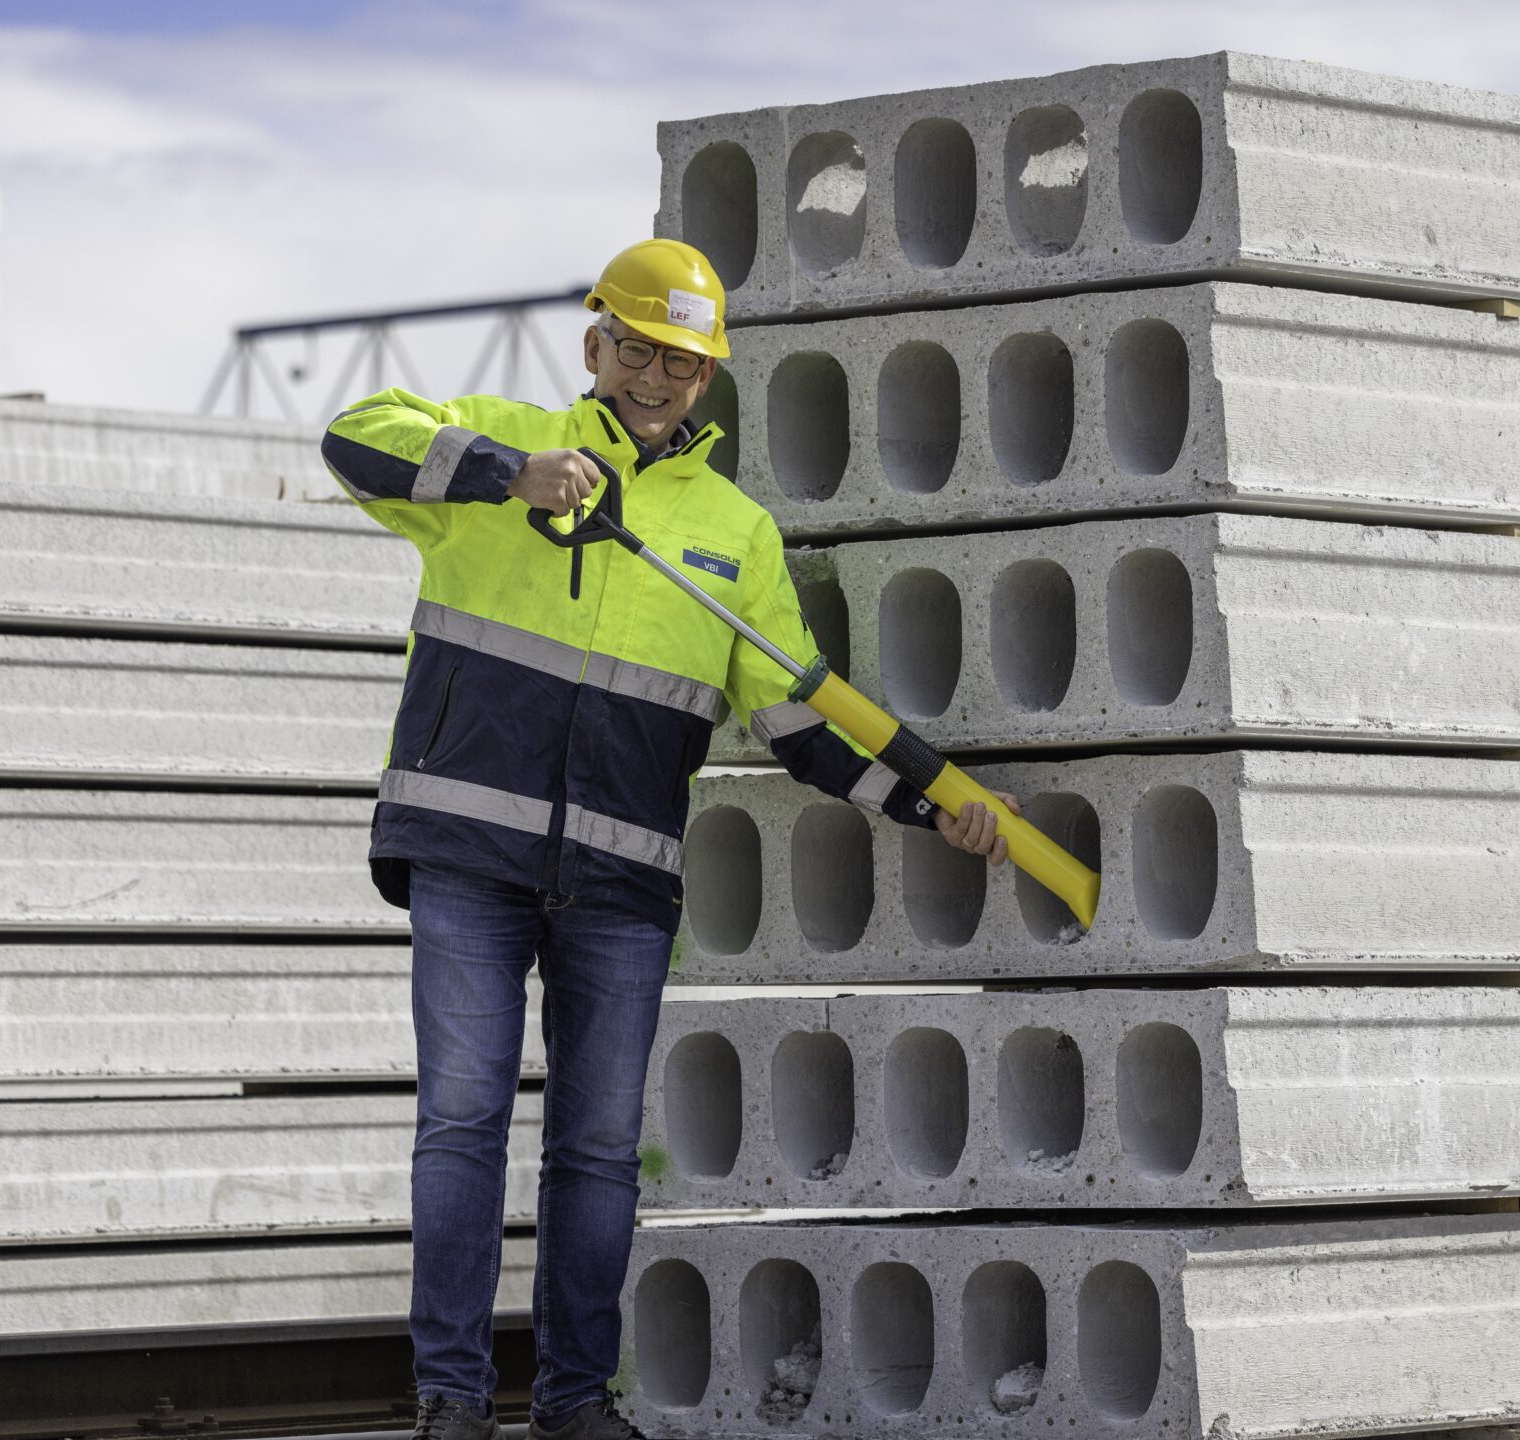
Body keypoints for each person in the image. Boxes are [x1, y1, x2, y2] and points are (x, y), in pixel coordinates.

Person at [319, 238, 1020, 1440]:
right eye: (636, 348)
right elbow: (351, 435)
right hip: (468, 855)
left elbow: (797, 714)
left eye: (682, 363)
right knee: (463, 1121)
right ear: (594, 345)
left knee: (595, 1153)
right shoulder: (502, 441)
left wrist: (926, 804)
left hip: (621, 879)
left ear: (709, 380)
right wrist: (505, 473)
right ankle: (448, 1400)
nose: (654, 376)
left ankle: (574, 1403)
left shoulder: (733, 534)